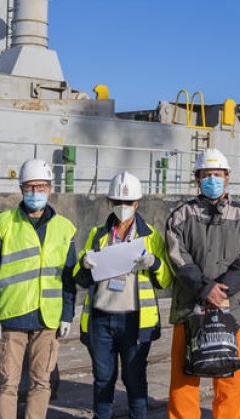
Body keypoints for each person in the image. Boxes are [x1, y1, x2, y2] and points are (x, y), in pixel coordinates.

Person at [164, 148, 240, 419]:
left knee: (230, 380)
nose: (212, 179)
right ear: (197, 178)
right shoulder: (180, 216)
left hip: (230, 309)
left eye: (217, 174)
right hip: (189, 310)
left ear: (227, 178)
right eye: (206, 174)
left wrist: (222, 290)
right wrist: (204, 288)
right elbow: (177, 256)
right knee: (185, 378)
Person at [0, 158, 78, 419]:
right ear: (22, 189)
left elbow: (69, 278)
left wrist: (67, 313)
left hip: (48, 319)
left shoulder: (64, 229)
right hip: (12, 317)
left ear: (50, 188)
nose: (36, 192)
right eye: (30, 187)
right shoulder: (4, 223)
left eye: (41, 186)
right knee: (7, 385)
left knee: (41, 383)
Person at [74, 171, 173, 419]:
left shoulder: (150, 236)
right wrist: (83, 263)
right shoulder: (98, 234)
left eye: (127, 202)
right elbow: (80, 276)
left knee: (134, 378)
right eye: (117, 202)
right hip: (101, 319)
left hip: (134, 320)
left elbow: (165, 280)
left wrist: (154, 262)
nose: (123, 207)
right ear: (110, 203)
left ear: (137, 203)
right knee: (103, 379)